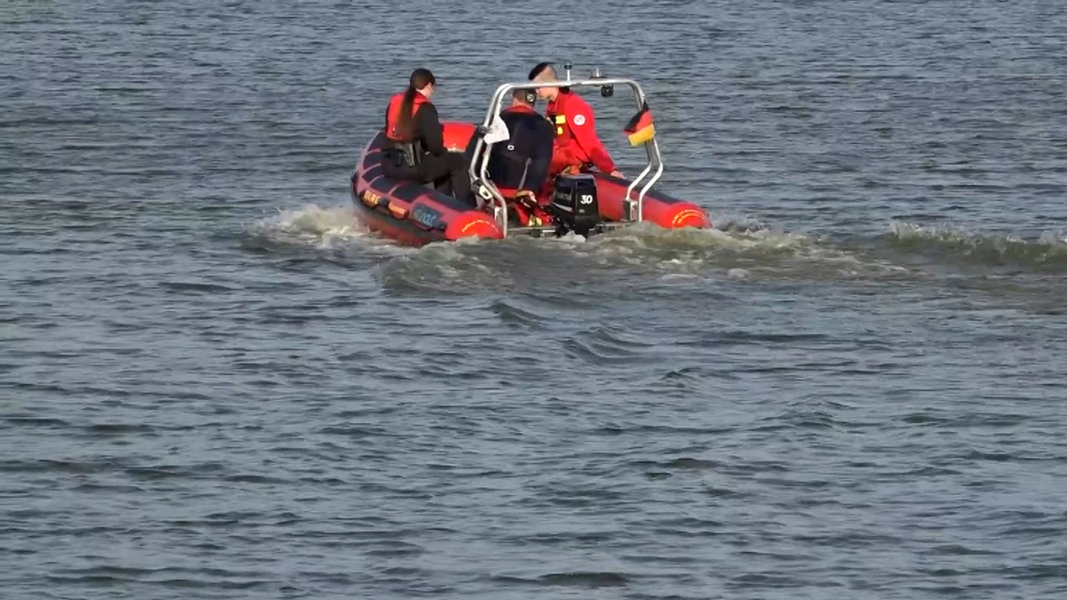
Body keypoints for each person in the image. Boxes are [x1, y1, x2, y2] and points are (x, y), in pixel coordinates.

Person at [382, 68, 472, 204]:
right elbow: (435, 146)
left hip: (390, 165)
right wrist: (443, 151)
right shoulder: (426, 108)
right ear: (429, 86)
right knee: (456, 161)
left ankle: (443, 202)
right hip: (412, 168)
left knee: (442, 164)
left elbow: (388, 130)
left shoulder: (394, 102)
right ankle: (467, 206)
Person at [528, 62, 625, 181]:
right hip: (561, 153)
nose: (536, 91)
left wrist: (610, 169)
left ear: (551, 84)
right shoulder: (553, 105)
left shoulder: (572, 105)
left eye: (538, 87)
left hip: (571, 157)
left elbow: (589, 142)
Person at [487, 88, 555, 198]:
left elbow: (475, 150)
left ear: (514, 98)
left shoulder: (496, 120)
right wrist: (531, 189)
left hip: (490, 186)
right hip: (521, 190)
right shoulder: (543, 125)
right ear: (533, 102)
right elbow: (542, 162)